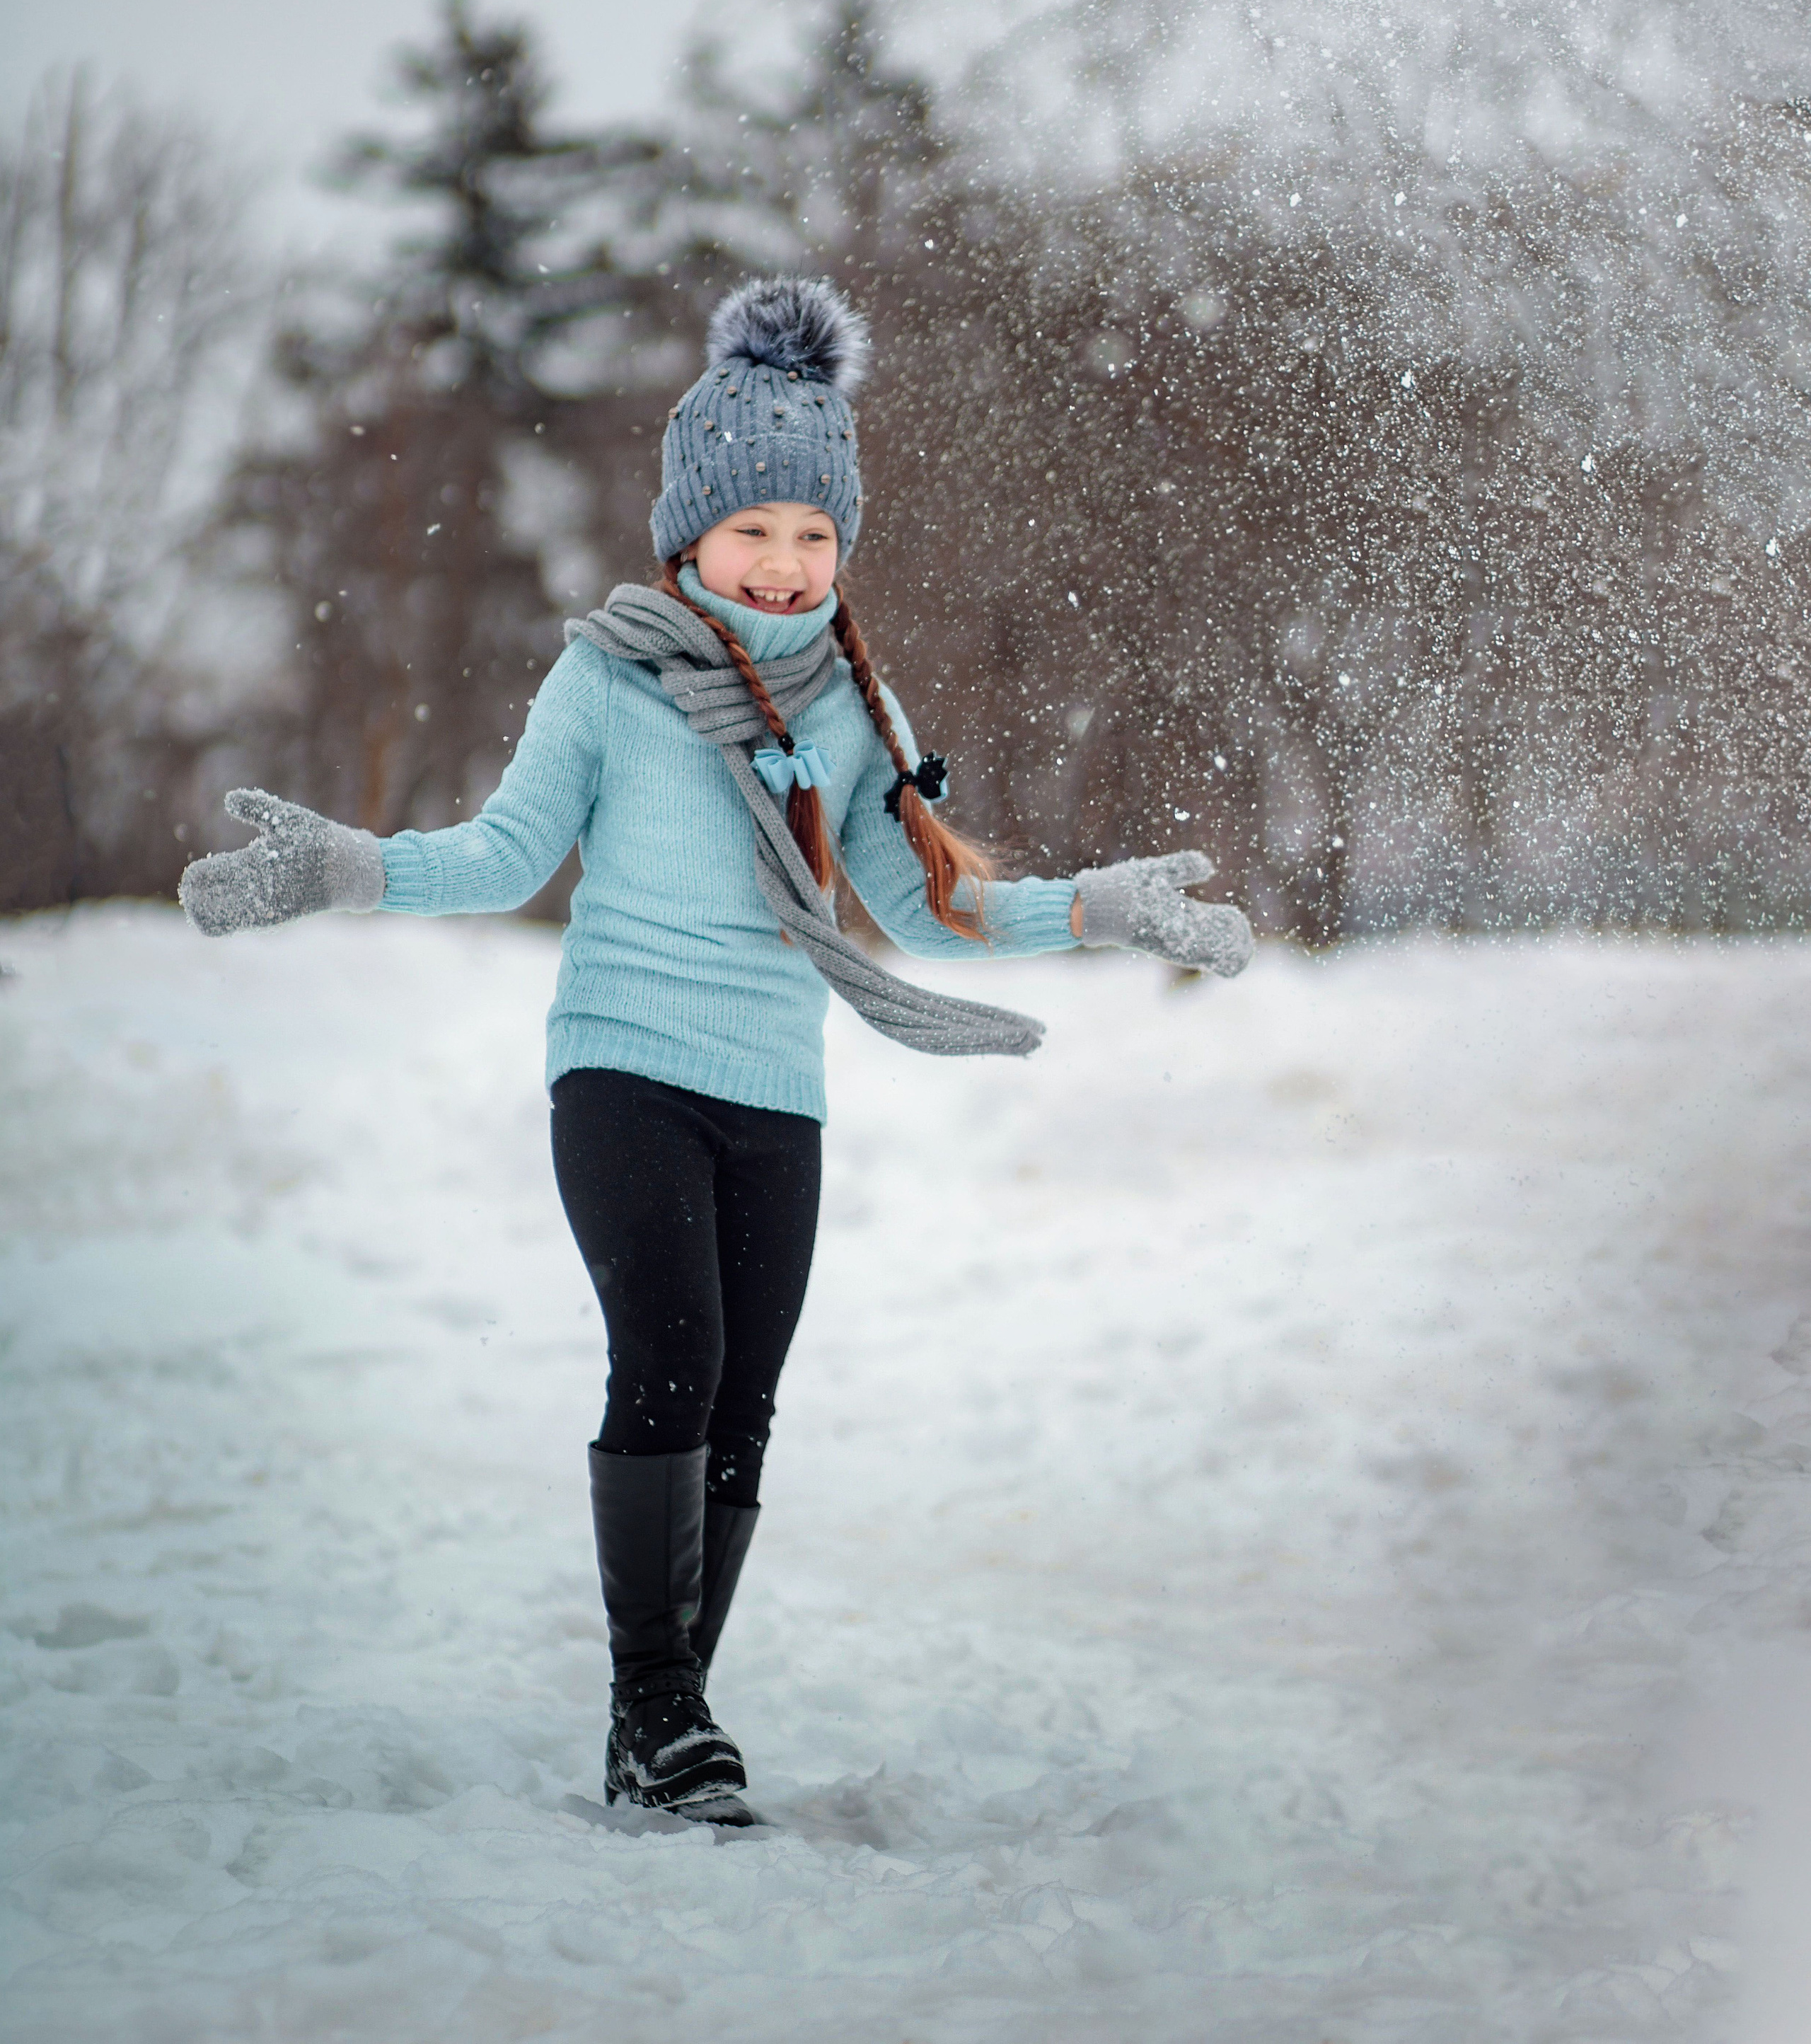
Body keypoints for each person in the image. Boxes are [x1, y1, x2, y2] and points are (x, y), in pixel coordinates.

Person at [179, 275, 1254, 1827]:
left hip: (776, 1093)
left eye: (814, 533)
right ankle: (659, 1705)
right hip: (621, 1069)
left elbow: (925, 902)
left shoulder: (852, 708)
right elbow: (502, 857)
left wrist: (1102, 909)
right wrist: (352, 867)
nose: (783, 560)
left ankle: (660, 1731)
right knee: (670, 1352)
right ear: (687, 532)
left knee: (743, 1395)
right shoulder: (607, 677)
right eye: (753, 527)